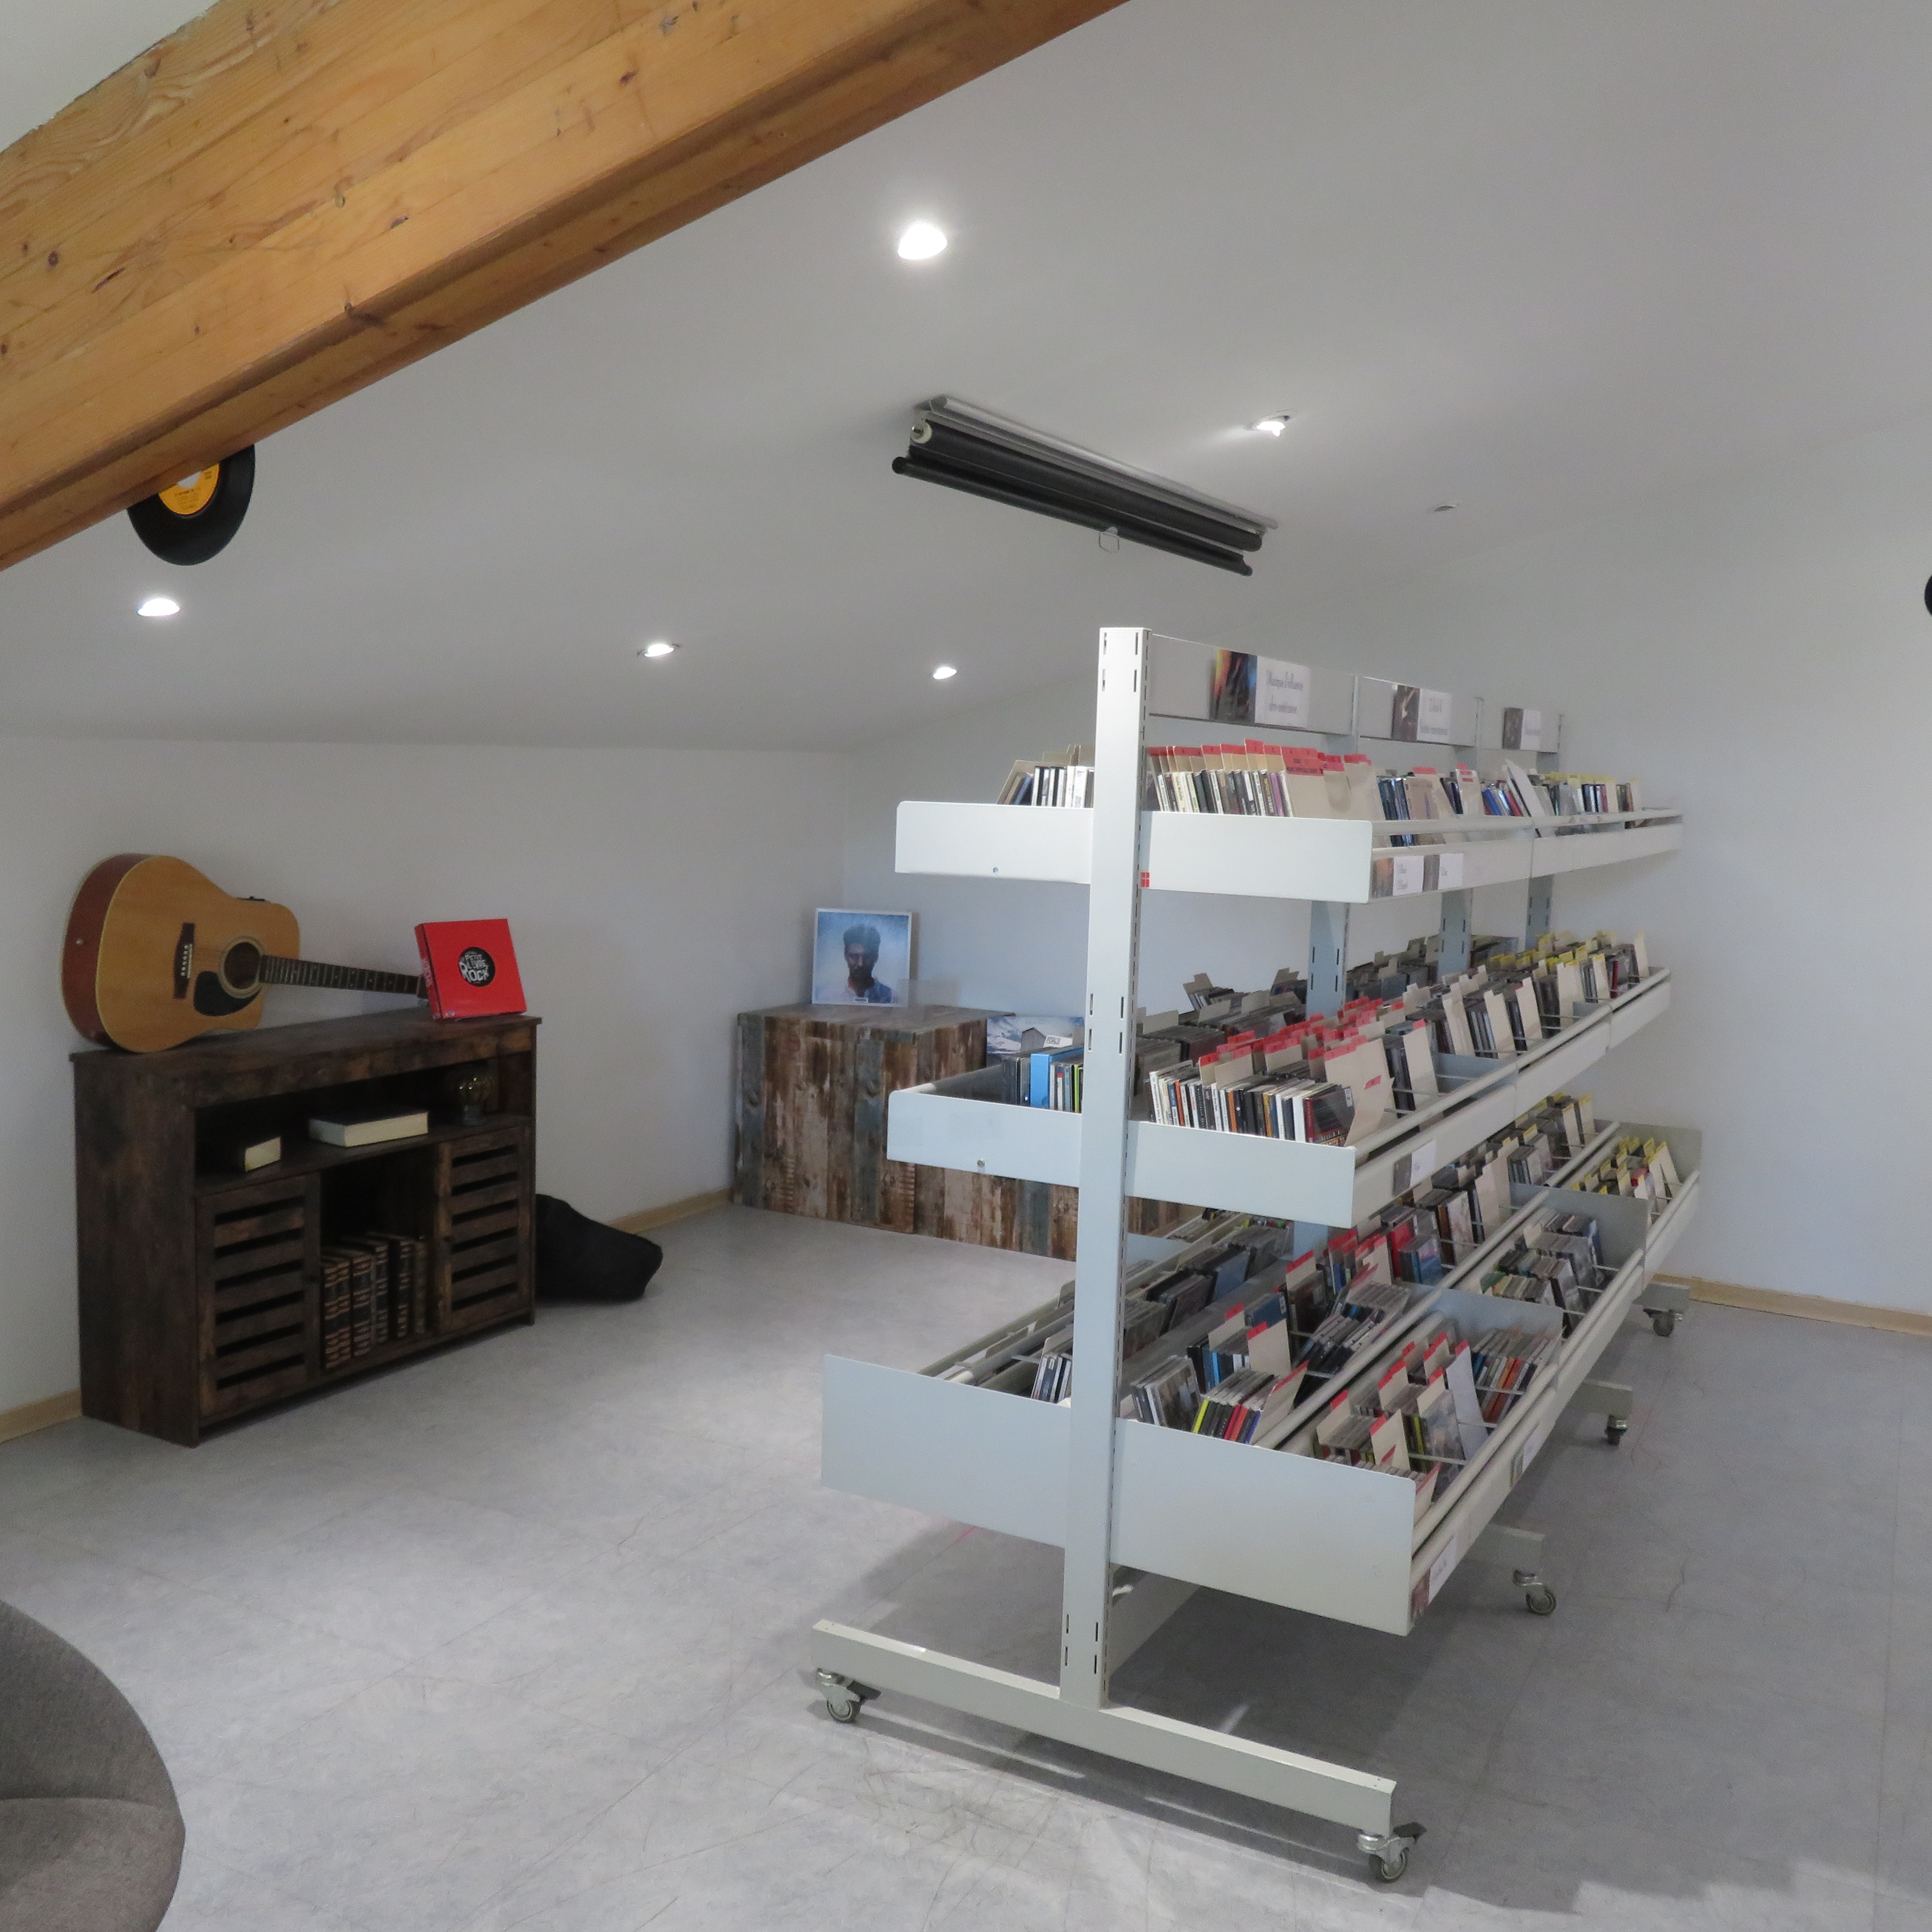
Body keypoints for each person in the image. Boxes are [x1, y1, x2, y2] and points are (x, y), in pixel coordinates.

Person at [839, 923, 894, 1003]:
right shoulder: (828, 996)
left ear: (876, 957)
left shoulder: (892, 998)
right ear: (846, 956)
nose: (861, 964)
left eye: (867, 957)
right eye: (855, 957)